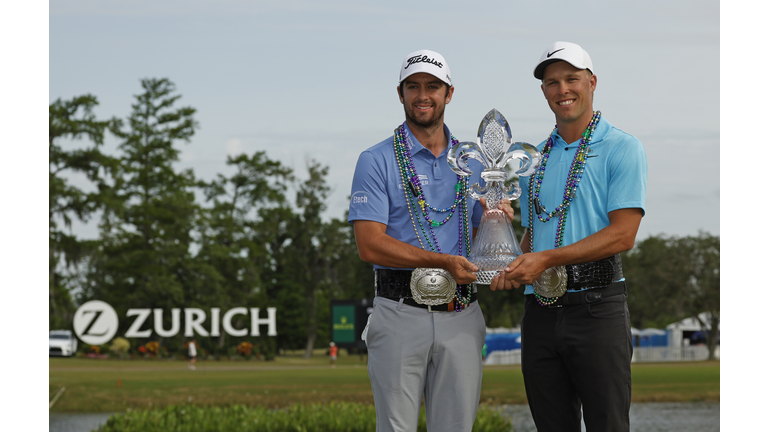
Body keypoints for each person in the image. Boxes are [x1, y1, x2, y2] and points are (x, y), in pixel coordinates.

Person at [489, 41, 647, 431]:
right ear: (544, 91)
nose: (563, 90)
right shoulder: (534, 159)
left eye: (572, 79)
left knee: (606, 424)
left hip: (597, 308)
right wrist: (505, 247)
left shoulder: (622, 147)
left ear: (592, 82)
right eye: (552, 82)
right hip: (540, 312)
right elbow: (535, 237)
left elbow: (623, 235)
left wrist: (546, 259)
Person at [349, 49, 486, 432]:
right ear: (400, 93)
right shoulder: (375, 159)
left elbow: (485, 236)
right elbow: (369, 244)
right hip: (398, 311)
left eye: (432, 86)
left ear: (449, 93)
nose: (422, 95)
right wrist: (443, 262)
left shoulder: (473, 161)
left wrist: (499, 219)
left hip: (461, 312)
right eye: (413, 86)